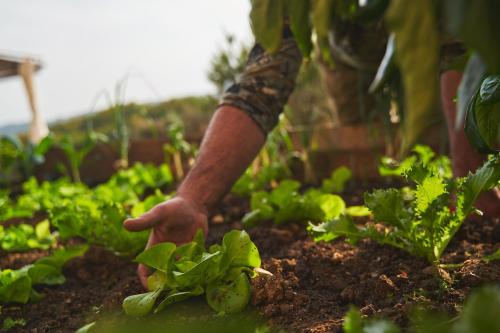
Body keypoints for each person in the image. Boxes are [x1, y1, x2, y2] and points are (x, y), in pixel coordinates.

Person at [123, 26, 499, 288]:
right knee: (358, 129)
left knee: (436, 118)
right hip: (347, 43)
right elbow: (260, 86)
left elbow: (461, 46)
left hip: (427, 27)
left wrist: (469, 176)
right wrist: (194, 196)